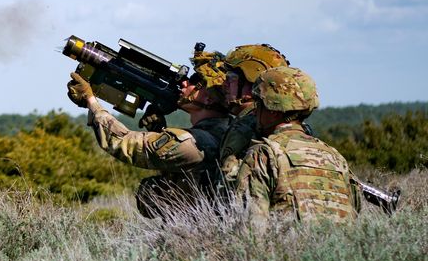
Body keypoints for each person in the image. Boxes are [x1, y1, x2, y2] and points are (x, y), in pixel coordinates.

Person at [67, 48, 231, 218]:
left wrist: (90, 100)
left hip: (196, 234)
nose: (184, 83)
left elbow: (125, 143)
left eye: (195, 81)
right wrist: (158, 131)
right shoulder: (227, 130)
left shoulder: (194, 142)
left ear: (209, 98)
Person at [233, 66, 360, 223]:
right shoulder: (335, 157)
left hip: (287, 247)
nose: (254, 111)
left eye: (259, 103)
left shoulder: (264, 155)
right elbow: (355, 216)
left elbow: (250, 228)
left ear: (273, 109)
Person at [217, 43, 290, 184]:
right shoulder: (277, 119)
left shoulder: (250, 122)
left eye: (230, 78)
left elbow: (227, 185)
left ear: (253, 82)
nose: (224, 84)